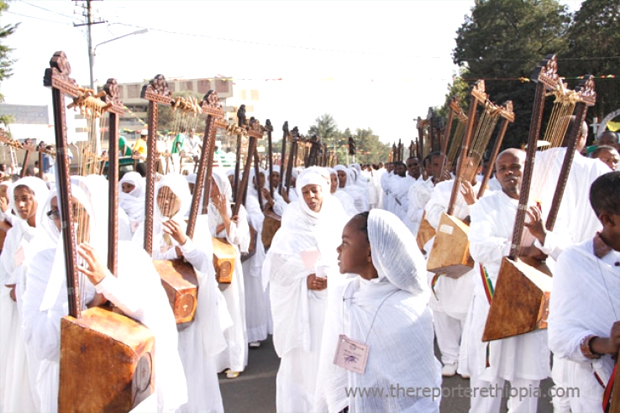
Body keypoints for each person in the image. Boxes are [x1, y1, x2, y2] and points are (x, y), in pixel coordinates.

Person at [21, 178, 188, 413]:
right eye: (57, 213)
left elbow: (153, 315)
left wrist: (105, 282)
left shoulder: (128, 255)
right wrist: (70, 280)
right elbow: (43, 344)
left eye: (74, 209)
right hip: (67, 381)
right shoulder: (42, 263)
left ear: (93, 210)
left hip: (120, 380)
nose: (65, 221)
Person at [315, 210, 442, 412]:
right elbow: (333, 368)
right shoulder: (345, 295)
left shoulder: (409, 311)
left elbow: (414, 393)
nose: (338, 249)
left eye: (346, 242)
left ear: (369, 252)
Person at [466, 148, 550, 413]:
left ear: (528, 170)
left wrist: (543, 241)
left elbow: (559, 244)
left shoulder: (543, 204)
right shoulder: (485, 206)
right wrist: (523, 250)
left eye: (515, 166)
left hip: (530, 298)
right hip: (495, 299)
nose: (509, 173)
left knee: (527, 377)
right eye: (502, 168)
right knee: (487, 375)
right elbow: (479, 248)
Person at [263, 168, 348, 413]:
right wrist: (304, 278)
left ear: (325, 191)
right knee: (304, 363)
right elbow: (279, 266)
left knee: (332, 355)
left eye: (315, 190)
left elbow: (351, 261)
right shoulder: (292, 222)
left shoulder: (339, 220)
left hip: (333, 304)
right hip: (303, 306)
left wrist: (330, 277)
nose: (311, 196)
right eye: (306, 192)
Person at [548, 171, 620, 413]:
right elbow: (559, 337)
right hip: (601, 388)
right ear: (608, 219)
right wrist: (607, 344)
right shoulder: (576, 260)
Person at [0, 177, 49, 413]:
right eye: (16, 199)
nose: (20, 205)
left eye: (26, 199)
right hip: (16, 316)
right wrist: (13, 286)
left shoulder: (48, 234)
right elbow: (4, 272)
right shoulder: (13, 234)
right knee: (17, 367)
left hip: (40, 314)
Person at [208, 171, 251, 379]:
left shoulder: (237, 208)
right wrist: (221, 225)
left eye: (213, 183)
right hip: (209, 262)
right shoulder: (202, 208)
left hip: (230, 264)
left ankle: (234, 360)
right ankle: (218, 360)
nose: (210, 188)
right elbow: (202, 233)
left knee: (232, 308)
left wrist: (226, 216)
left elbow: (241, 239)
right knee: (214, 311)